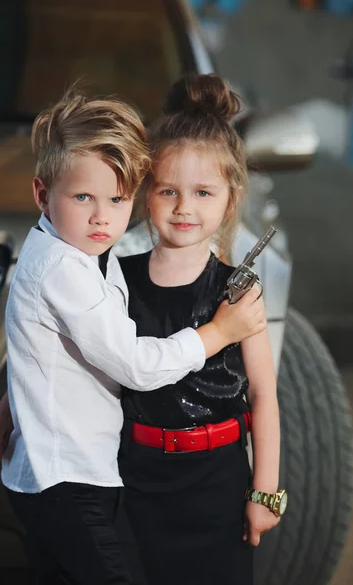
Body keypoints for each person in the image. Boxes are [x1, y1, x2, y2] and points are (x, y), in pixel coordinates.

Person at [0, 83, 266, 585]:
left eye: (116, 198)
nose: (100, 216)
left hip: (140, 477)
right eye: (83, 196)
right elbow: (132, 365)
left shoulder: (82, 255)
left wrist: (7, 409)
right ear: (43, 195)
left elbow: (48, 352)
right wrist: (218, 332)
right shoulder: (69, 268)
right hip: (72, 478)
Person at [117, 74, 282, 585]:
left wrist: (265, 491)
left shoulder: (238, 291)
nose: (184, 207)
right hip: (132, 479)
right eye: (169, 190)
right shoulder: (117, 281)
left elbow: (263, 394)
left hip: (217, 484)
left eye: (203, 192)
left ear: (229, 201)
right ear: (148, 194)